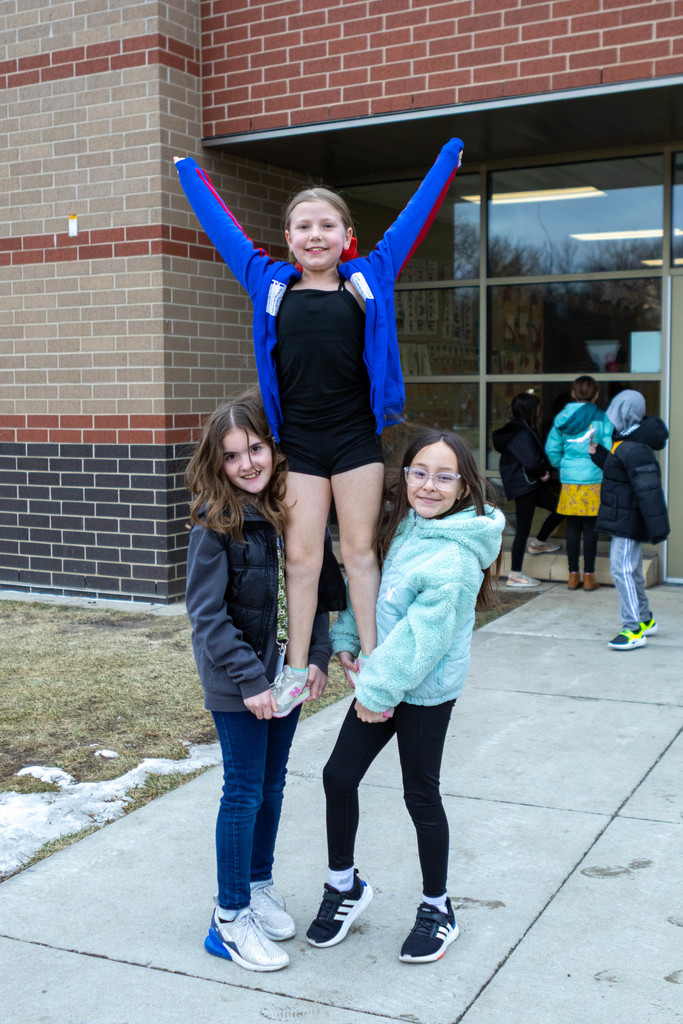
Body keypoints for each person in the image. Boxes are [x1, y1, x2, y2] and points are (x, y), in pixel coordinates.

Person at [173, 138, 464, 710]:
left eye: (327, 225)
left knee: (358, 553)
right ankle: (296, 667)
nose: (314, 235)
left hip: (357, 441)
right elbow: (221, 226)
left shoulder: (371, 277)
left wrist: (446, 163)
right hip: (299, 446)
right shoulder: (269, 284)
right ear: (288, 238)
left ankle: (376, 663)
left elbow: (413, 218)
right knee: (303, 559)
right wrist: (188, 173)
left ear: (345, 235)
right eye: (303, 226)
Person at [305, 429, 504, 964]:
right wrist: (347, 637)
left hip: (425, 692)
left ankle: (438, 908)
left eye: (444, 477)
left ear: (464, 488)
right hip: (384, 679)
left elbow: (422, 640)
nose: (429, 486)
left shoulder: (457, 558)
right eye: (419, 472)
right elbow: (366, 587)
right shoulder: (402, 526)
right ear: (405, 477)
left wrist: (373, 690)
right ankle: (344, 886)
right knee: (338, 777)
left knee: (420, 795)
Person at [184, 392, 344, 973]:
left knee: (272, 787)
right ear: (217, 463)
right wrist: (252, 681)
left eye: (255, 448)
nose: (247, 464)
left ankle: (255, 885)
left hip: (289, 678)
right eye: (232, 456)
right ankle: (227, 920)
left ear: (274, 448)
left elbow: (319, 593)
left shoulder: (299, 508)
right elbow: (206, 616)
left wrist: (318, 656)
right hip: (240, 685)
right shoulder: (214, 522)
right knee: (244, 791)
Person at [589, 390, 669, 651]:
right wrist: (598, 453)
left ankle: (633, 628)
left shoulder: (633, 447)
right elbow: (618, 471)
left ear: (623, 413)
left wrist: (657, 528)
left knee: (621, 570)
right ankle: (645, 619)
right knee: (630, 570)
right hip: (622, 518)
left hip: (627, 521)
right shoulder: (626, 440)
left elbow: (649, 491)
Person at [545, 375, 613, 590]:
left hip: (570, 480)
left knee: (572, 526)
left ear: (573, 393)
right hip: (594, 478)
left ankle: (572, 575)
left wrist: (562, 465)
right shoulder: (602, 418)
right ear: (596, 395)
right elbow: (610, 447)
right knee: (591, 527)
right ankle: (589, 577)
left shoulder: (560, 418)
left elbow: (551, 449)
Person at [492, 390, 563, 588]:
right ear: (531, 410)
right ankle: (515, 574)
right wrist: (543, 473)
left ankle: (539, 542)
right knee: (523, 529)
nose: (541, 410)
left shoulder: (518, 429)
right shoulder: (521, 432)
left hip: (528, 485)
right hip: (526, 486)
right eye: (538, 407)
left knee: (561, 507)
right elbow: (531, 461)